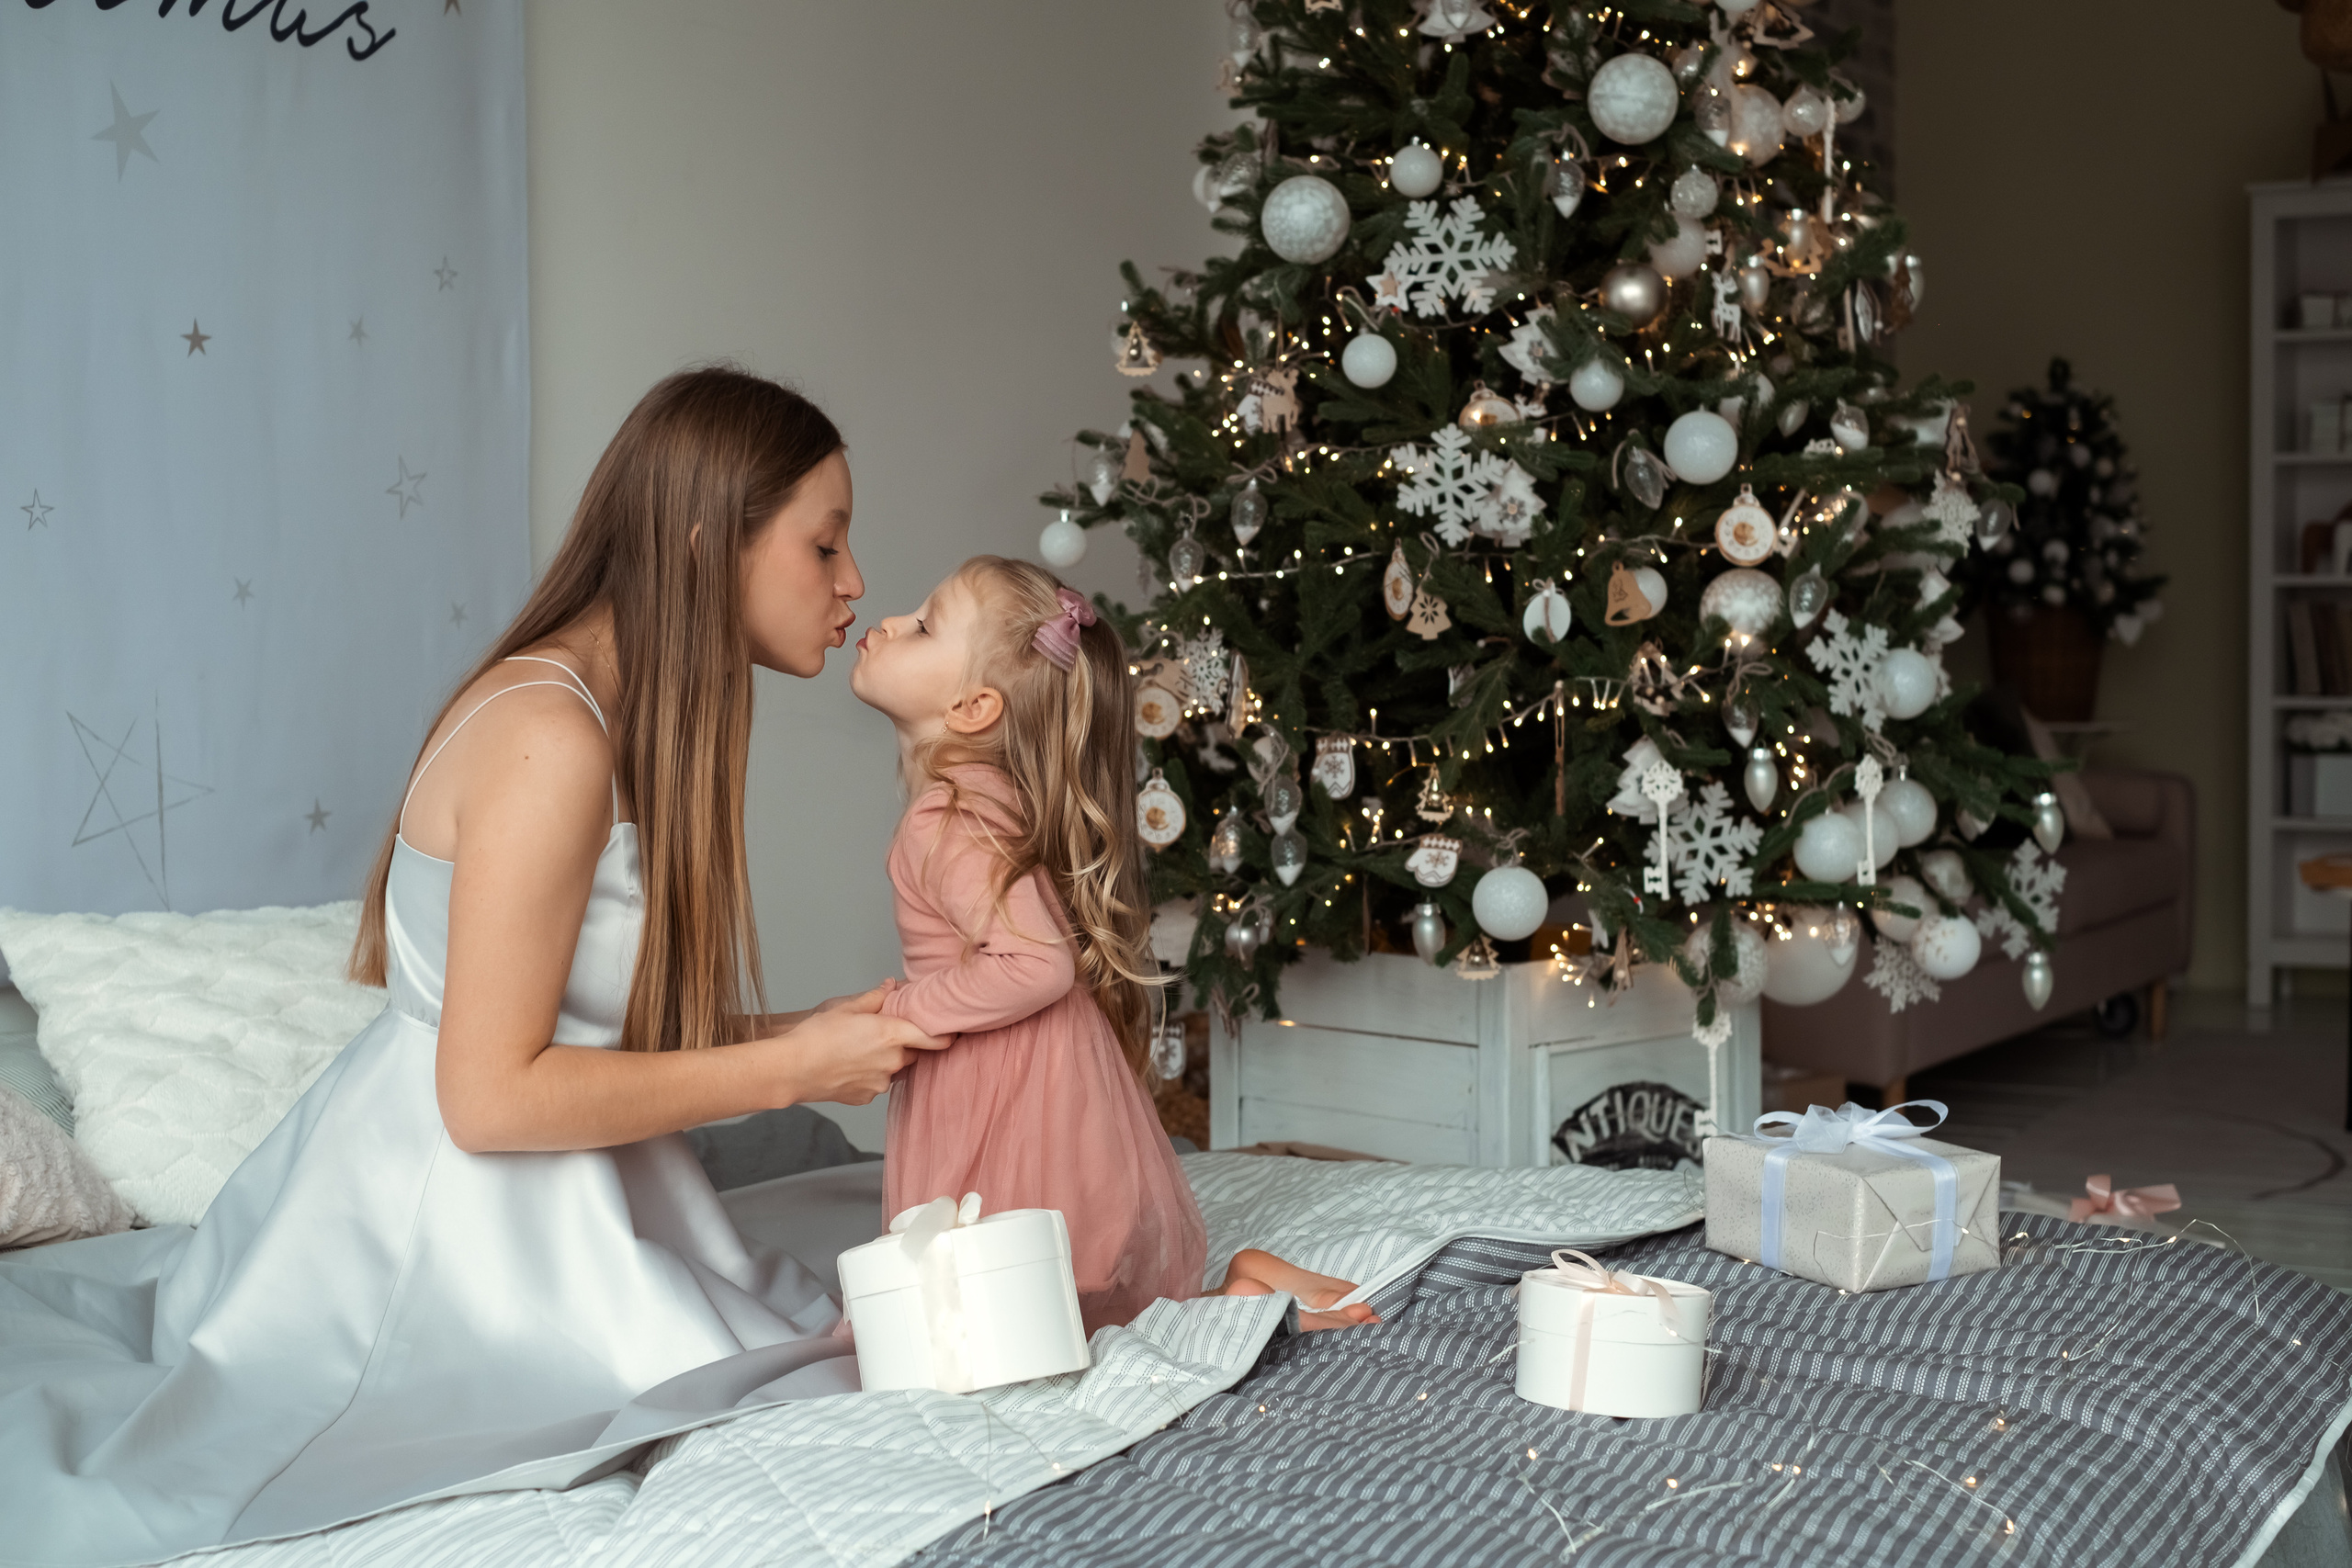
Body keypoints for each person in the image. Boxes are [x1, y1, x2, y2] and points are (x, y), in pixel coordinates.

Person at [0, 367, 944, 1563]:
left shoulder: (609, 711)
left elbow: (585, 1013)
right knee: (823, 1360)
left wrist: (800, 1028)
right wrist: (787, 1068)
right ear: (711, 542)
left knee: (857, 1296)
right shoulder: (551, 737)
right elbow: (490, 1096)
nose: (856, 580)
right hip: (454, 1220)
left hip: (567, 1184)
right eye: (827, 542)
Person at [848, 555, 1378, 1333]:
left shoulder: (947, 815)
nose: (889, 623)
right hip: (1044, 1075)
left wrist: (902, 1009)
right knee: (1063, 1312)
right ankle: (1237, 1297)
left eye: (923, 624)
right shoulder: (990, 798)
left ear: (972, 706)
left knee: (984, 1325)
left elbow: (1035, 964)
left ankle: (1239, 1309)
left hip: (1001, 1087)